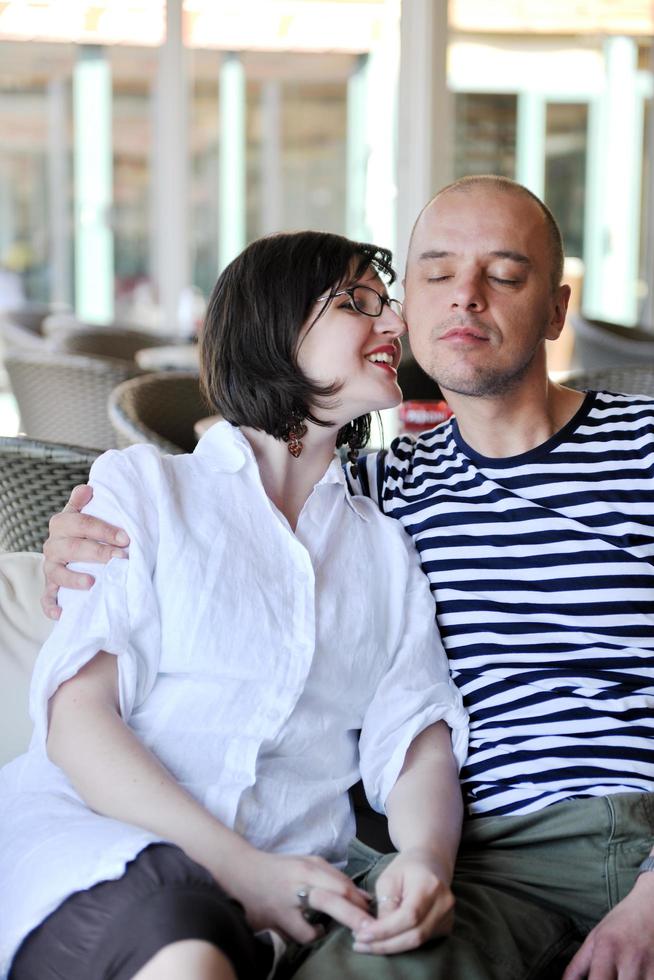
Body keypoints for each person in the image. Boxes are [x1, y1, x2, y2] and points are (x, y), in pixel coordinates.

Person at [40, 176, 654, 979]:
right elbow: (248, 474)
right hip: (495, 861)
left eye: (504, 274)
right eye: (435, 274)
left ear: (556, 310)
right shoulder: (378, 498)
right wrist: (72, 537)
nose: (464, 297)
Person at [0, 230, 470, 980]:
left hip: (294, 890)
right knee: (186, 944)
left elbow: (413, 736)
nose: (395, 326)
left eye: (390, 308)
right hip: (106, 852)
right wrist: (240, 868)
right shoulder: (147, 492)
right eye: (358, 304)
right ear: (274, 327)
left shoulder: (385, 547)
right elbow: (78, 720)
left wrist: (425, 858)